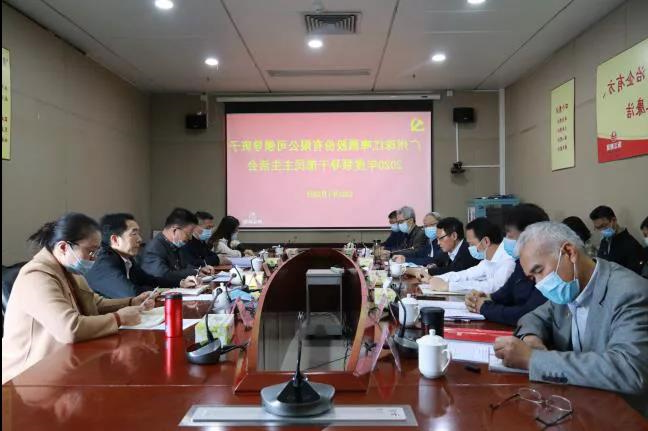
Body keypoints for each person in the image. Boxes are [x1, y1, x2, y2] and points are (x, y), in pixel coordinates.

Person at [493, 221, 648, 417]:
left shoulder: (630, 292)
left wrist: (533, 359)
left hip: (623, 415)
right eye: (532, 277)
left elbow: (629, 370)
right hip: (575, 404)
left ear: (569, 253)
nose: (539, 284)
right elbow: (533, 317)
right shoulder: (568, 288)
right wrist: (531, 338)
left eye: (539, 271)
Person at [2, 213, 155, 384]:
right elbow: (69, 328)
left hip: (65, 363)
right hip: (28, 378)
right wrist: (119, 318)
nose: (94, 258)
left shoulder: (70, 271)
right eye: (90, 251)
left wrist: (131, 302)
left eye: (97, 251)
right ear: (63, 247)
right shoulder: (36, 276)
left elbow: (95, 303)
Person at [465, 204, 549, 325]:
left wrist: (484, 307)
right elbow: (504, 294)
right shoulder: (519, 264)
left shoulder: (548, 269)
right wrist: (484, 297)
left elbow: (528, 314)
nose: (505, 240)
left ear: (531, 236)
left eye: (510, 236)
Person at [86, 213, 198, 299]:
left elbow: (148, 280)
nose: (140, 239)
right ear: (115, 240)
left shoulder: (126, 259)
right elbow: (131, 293)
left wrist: (180, 283)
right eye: (134, 234)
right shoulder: (105, 263)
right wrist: (163, 291)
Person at [421, 217, 515, 294]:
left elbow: (493, 287)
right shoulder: (487, 260)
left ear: (486, 241)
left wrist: (449, 286)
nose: (469, 248)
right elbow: (466, 274)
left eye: (472, 244)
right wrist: (435, 279)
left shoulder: (508, 260)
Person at [141, 208, 213, 286]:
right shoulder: (154, 248)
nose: (190, 238)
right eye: (189, 233)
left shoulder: (176, 245)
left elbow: (184, 266)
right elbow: (163, 275)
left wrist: (199, 270)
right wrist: (194, 272)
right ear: (175, 230)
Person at [407, 217, 479, 279]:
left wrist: (422, 271)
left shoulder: (468, 250)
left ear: (454, 236)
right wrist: (432, 266)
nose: (438, 243)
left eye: (441, 238)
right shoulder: (446, 251)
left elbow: (453, 271)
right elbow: (434, 261)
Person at [589, 205, 644, 274]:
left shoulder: (631, 244)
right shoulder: (604, 241)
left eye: (603, 226)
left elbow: (634, 275)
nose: (601, 230)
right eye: (598, 228)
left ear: (614, 220)